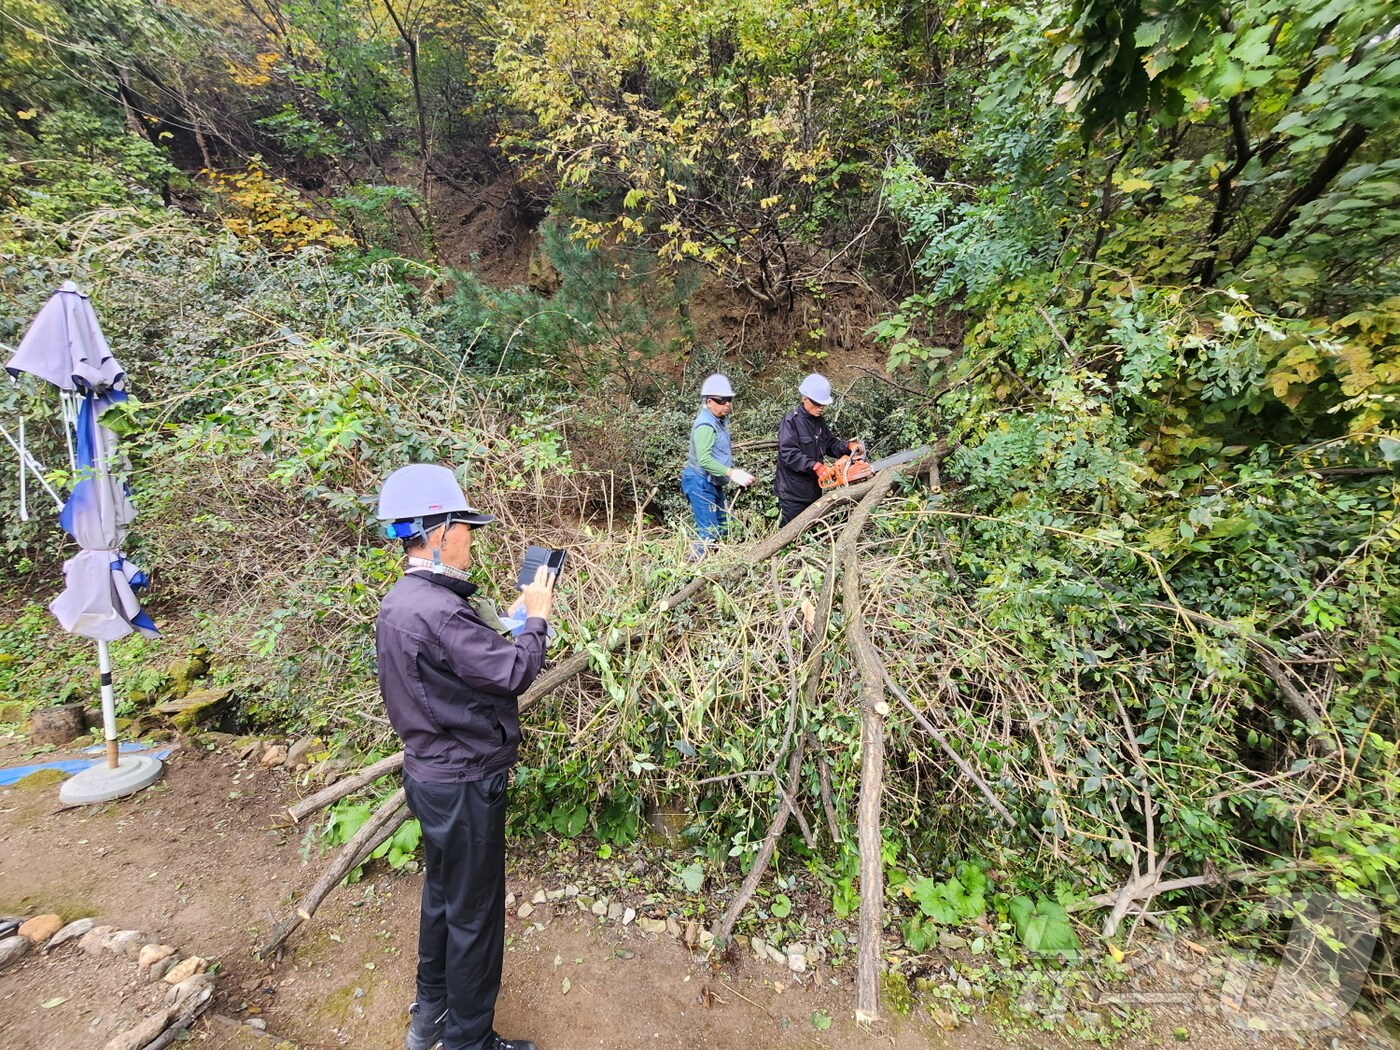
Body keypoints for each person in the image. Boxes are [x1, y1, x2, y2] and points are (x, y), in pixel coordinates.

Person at [375, 463, 553, 1050]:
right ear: (439, 530)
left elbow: (458, 664)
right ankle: (469, 1041)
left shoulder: (403, 600)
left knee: (442, 897)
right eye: (466, 528)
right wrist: (538, 620)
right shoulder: (441, 610)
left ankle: (430, 1017)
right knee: (475, 915)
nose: (472, 539)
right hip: (467, 780)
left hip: (427, 775)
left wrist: (511, 623)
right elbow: (514, 672)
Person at [679, 373, 755, 553]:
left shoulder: (719, 420)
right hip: (699, 482)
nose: (727, 404)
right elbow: (704, 460)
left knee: (722, 527)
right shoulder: (705, 425)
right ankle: (696, 573)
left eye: (729, 399)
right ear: (708, 401)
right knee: (708, 533)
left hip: (712, 482)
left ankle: (717, 566)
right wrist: (732, 473)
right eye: (721, 400)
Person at [774, 373, 859, 526]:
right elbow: (789, 454)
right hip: (792, 493)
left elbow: (830, 444)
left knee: (811, 533)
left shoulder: (819, 422)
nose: (821, 408)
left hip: (814, 491)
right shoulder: (791, 421)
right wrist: (815, 466)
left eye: (823, 404)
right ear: (804, 398)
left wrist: (847, 447)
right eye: (817, 403)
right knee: (790, 536)